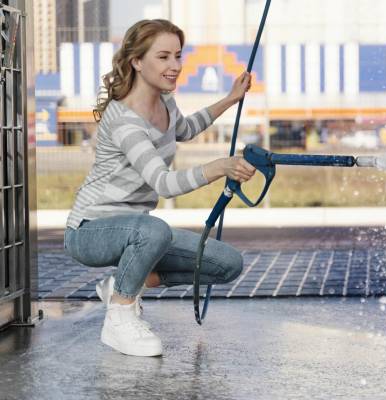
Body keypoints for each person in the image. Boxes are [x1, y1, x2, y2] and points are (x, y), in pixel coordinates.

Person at [63, 19, 257, 357]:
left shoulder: (166, 103)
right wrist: (221, 167)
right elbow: (163, 184)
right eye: (164, 57)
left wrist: (230, 98)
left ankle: (122, 284)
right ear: (137, 61)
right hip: (90, 229)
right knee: (155, 230)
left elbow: (184, 129)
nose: (175, 66)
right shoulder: (124, 119)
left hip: (141, 231)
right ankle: (120, 318)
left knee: (226, 263)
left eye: (178, 56)